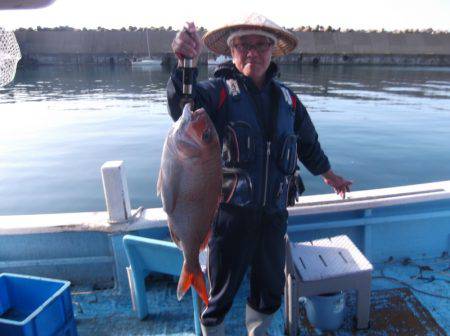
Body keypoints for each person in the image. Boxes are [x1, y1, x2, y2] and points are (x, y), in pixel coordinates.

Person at [167, 13, 352, 336]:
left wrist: (329, 174)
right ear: (231, 52)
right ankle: (214, 330)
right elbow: (183, 105)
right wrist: (185, 64)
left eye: (260, 45)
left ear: (272, 50)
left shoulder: (289, 100)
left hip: (274, 217)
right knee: (221, 289)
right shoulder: (218, 93)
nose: (252, 52)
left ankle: (259, 331)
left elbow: (308, 144)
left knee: (269, 287)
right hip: (230, 217)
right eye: (242, 45)